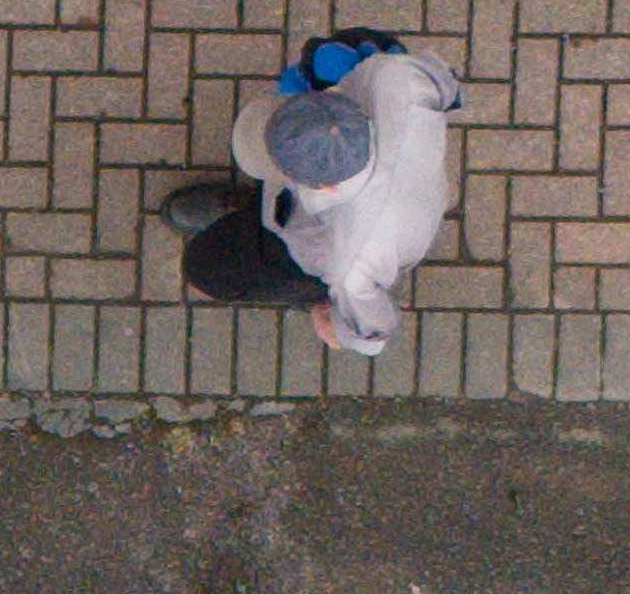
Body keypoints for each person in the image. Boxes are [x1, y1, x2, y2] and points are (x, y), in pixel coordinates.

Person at [162, 36, 466, 357]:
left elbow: (373, 328)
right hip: (390, 188)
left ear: (323, 187)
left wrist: (338, 327)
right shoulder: (396, 78)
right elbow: (440, 82)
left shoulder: (352, 263)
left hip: (326, 245)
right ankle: (256, 211)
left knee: (206, 269)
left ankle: (293, 268)